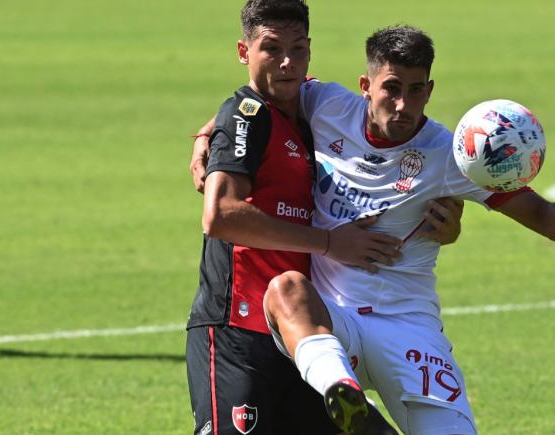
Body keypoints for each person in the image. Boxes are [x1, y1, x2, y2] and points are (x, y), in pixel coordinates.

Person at [258, 25, 555, 435]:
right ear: (365, 84)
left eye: (416, 90)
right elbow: (260, 97)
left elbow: (539, 214)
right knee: (286, 289)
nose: (403, 104)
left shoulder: (451, 157)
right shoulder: (324, 104)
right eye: (391, 88)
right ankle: (344, 395)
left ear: (429, 91)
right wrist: (210, 133)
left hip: (407, 325)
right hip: (337, 319)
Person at [185, 2, 462, 434]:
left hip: (305, 335)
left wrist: (445, 225)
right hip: (239, 330)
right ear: (244, 51)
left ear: (310, 51)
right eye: (271, 49)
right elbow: (220, 214)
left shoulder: (316, 112)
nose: (287, 63)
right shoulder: (246, 117)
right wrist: (331, 242)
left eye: (297, 50)